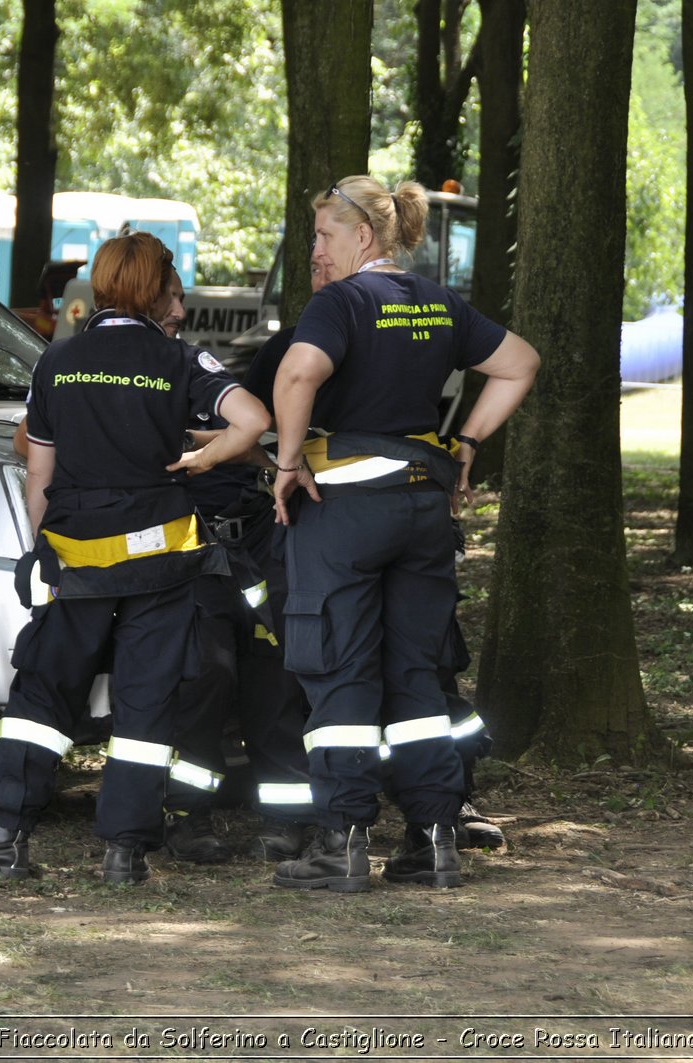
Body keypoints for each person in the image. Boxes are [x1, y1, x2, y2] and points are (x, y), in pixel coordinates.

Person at [0, 231, 269, 884]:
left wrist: (37, 550)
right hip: (162, 567)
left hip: (75, 560)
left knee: (42, 697)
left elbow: (38, 473)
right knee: (144, 705)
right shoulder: (180, 361)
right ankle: (123, 852)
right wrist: (206, 455)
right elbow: (252, 419)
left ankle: (3, 835)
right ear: (154, 287)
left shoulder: (59, 362)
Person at [268, 176, 538, 892]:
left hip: (347, 508)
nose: (316, 252)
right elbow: (520, 364)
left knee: (341, 672)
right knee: (416, 674)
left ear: (363, 236)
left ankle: (344, 840)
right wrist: (470, 442)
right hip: (424, 505)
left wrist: (289, 462)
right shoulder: (438, 303)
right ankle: (434, 838)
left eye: (324, 236)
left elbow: (298, 373)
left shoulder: (342, 303)